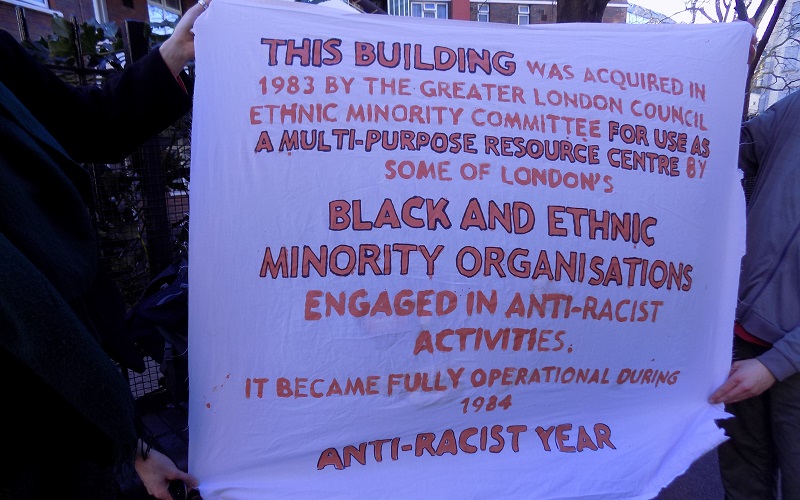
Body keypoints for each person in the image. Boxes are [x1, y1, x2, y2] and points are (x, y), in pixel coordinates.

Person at [0, 1, 209, 498]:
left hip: (65, 397)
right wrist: (126, 439)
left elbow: (81, 124)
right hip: (25, 409)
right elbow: (24, 306)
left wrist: (171, 55)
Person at [708, 88, 800, 499]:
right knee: (743, 474)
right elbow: (731, 152)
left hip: (789, 363)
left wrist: (777, 364)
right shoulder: (796, 107)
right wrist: (722, 79)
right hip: (744, 334)